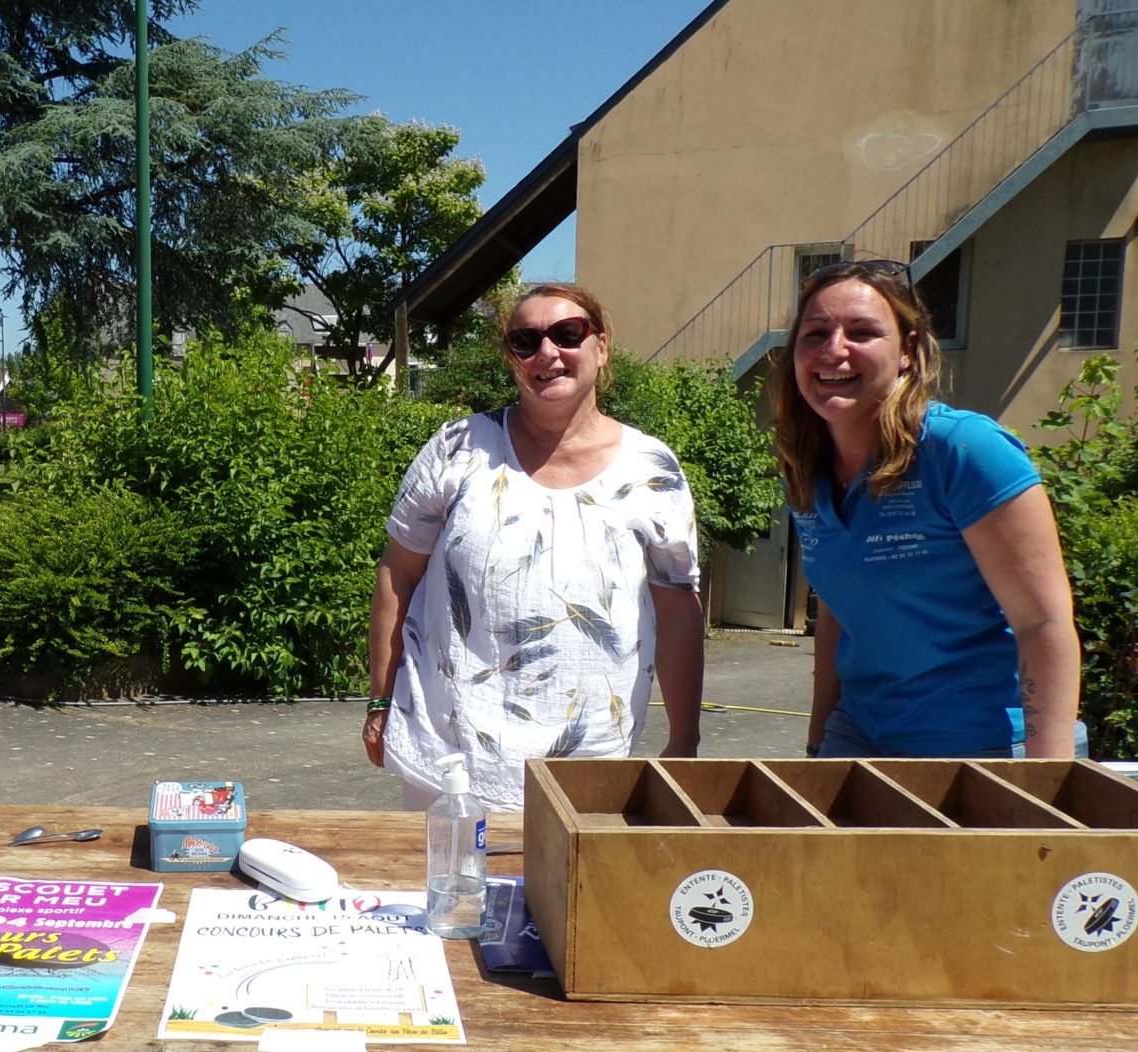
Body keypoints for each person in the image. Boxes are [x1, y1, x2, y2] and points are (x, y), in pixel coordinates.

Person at [363, 283, 706, 812]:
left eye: (567, 334)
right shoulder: (457, 449)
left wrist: (684, 740)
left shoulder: (651, 470)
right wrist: (380, 700)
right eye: (525, 341)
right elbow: (398, 573)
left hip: (591, 763)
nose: (547, 353)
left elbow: (678, 609)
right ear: (512, 359)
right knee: (449, 871)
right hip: (451, 763)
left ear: (601, 347)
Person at [772, 259, 1081, 758]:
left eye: (862, 332)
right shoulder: (806, 469)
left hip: (982, 747)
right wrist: (817, 742)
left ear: (908, 352)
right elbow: (836, 613)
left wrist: (1047, 779)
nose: (834, 350)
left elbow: (1042, 622)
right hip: (860, 735)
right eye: (815, 334)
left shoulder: (964, 450)